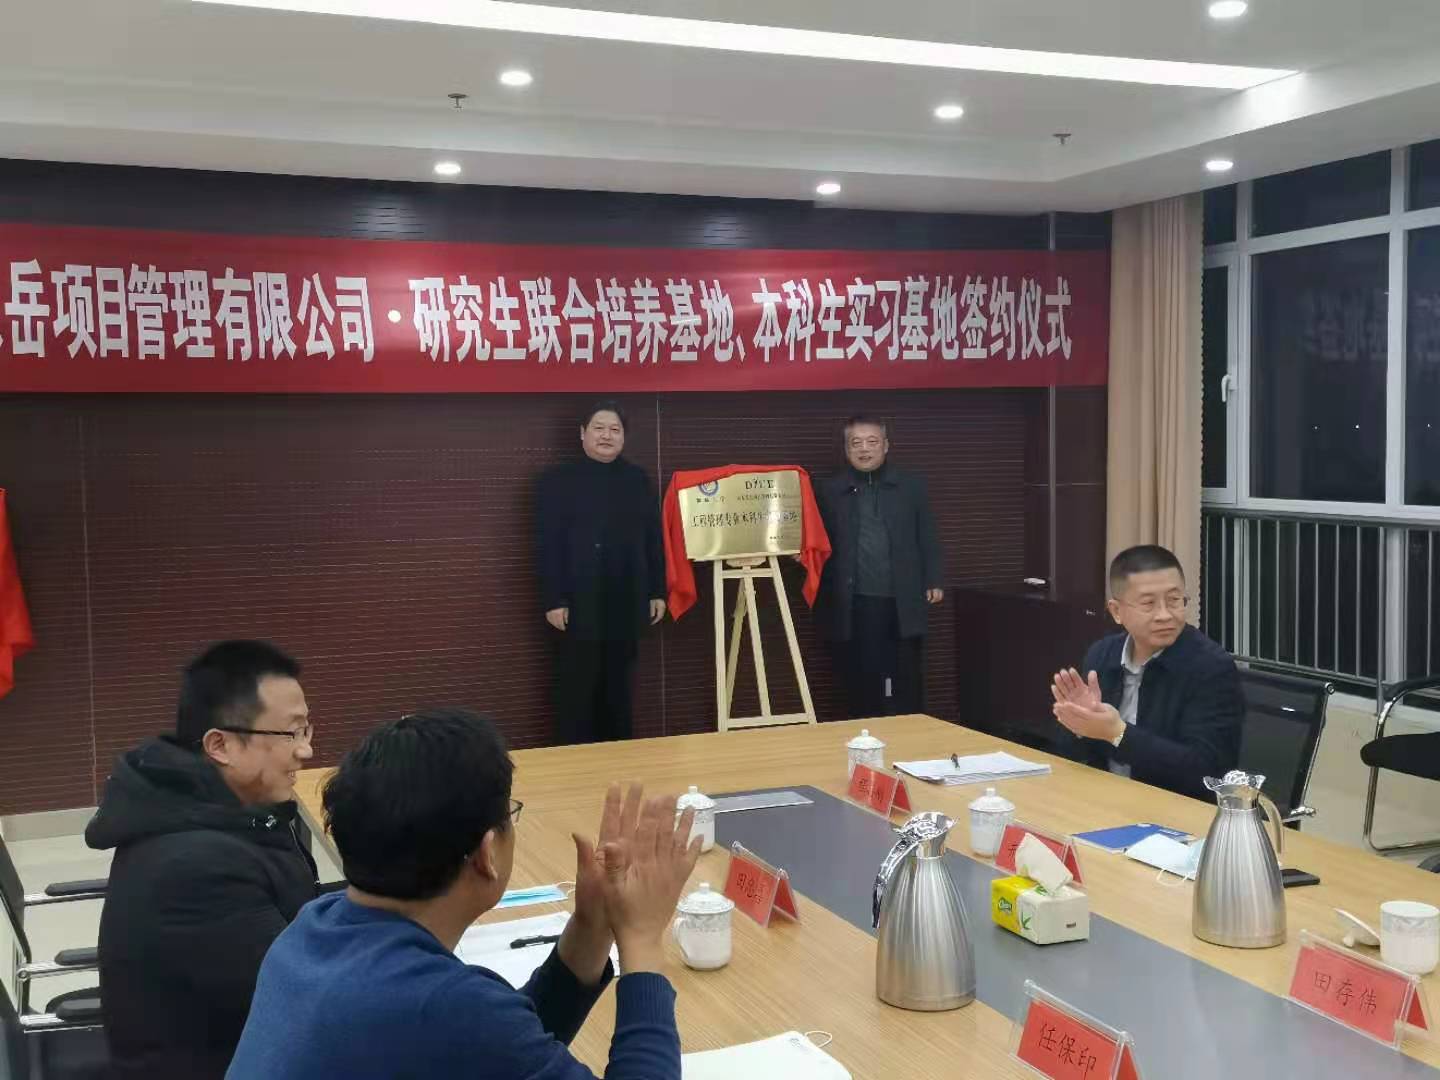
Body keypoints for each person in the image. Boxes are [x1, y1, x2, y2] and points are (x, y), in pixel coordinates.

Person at [227, 709, 700, 1080]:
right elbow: (477, 1031)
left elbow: (500, 1047)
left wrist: (592, 927)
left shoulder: (314, 926)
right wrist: (641, 940)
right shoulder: (444, 1007)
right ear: (487, 853)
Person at [85, 640, 321, 1080]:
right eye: (290, 733)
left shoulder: (227, 809)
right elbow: (304, 1002)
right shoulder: (197, 867)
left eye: (305, 730)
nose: (305, 750)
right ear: (220, 745)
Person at [1049, 545, 1243, 801]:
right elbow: (1072, 755)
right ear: (1117, 611)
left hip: (1173, 810)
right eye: (1148, 604)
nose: (1164, 615)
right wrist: (1080, 725)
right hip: (1104, 799)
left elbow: (1207, 772)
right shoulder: (1102, 655)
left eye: (1174, 600)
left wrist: (1118, 733)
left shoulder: (1211, 668)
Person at [537, 401, 666, 744]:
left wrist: (657, 591)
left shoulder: (637, 479)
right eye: (599, 428)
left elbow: (653, 539)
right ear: (582, 434)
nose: (606, 436)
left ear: (624, 437)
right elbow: (547, 545)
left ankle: (620, 756)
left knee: (620, 686)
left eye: (615, 430)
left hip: (627, 597)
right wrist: (553, 599)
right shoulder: (557, 481)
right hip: (577, 601)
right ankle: (574, 759)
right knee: (576, 687)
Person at [815, 415, 944, 718]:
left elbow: (927, 535)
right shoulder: (830, 490)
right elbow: (816, 538)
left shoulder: (910, 486)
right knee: (861, 676)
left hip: (904, 597)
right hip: (855, 601)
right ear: (846, 449)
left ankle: (911, 730)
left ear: (886, 445)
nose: (864, 449)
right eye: (856, 443)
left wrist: (934, 579)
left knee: (905, 675)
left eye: (872, 442)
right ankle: (863, 732)